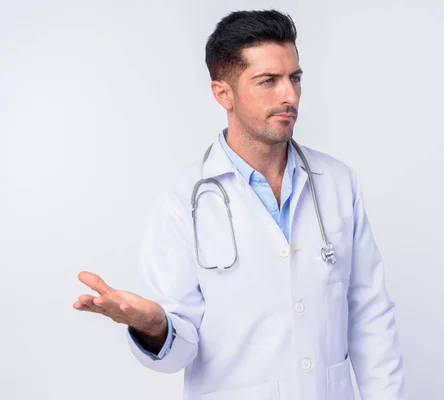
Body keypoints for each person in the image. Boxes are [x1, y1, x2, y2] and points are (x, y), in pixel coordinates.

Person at [74, 9, 405, 400]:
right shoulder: (182, 203)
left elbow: (370, 317)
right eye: (268, 81)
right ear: (223, 93)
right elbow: (179, 350)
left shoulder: (336, 183)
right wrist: (155, 326)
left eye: (294, 78)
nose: (290, 95)